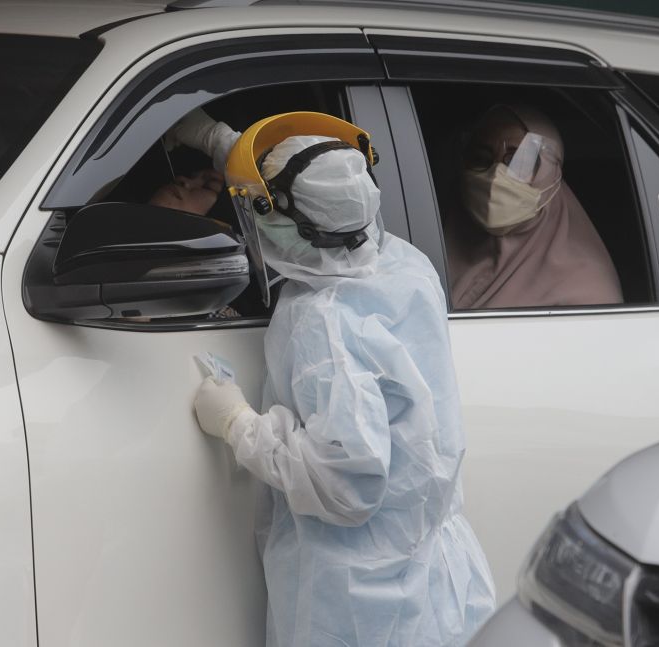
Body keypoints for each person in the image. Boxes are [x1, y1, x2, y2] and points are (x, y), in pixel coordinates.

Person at [171, 108, 495, 646]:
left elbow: (345, 483)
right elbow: (306, 186)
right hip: (428, 575)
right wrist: (215, 139)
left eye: (258, 209)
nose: (251, 218)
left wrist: (237, 424)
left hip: (359, 603)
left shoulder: (325, 322)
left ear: (293, 222)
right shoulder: (400, 265)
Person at [447, 104, 623, 309]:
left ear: (550, 175)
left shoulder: (587, 293)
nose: (496, 176)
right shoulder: (442, 239)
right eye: (481, 159)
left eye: (519, 162)